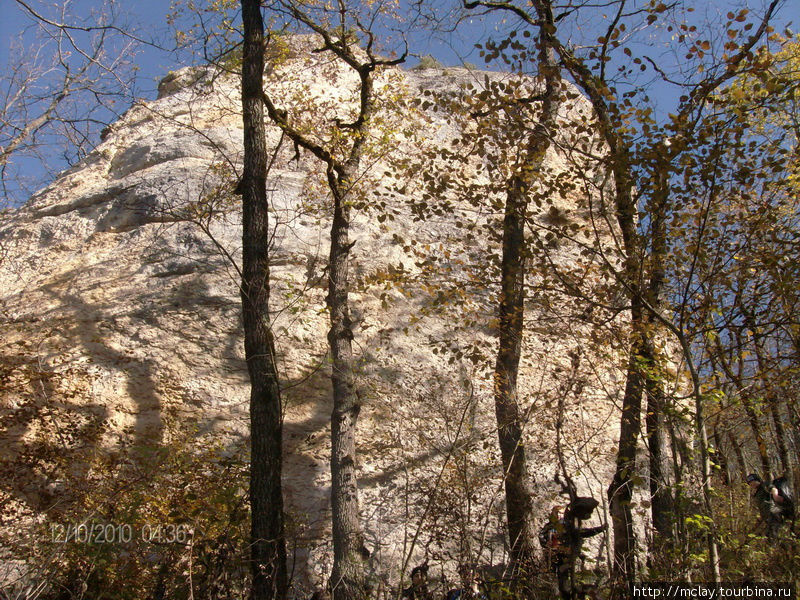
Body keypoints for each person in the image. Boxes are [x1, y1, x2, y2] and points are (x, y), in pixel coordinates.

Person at [539, 499, 607, 600]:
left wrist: (599, 529)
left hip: (566, 557)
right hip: (554, 557)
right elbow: (542, 536)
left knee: (566, 582)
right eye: (556, 513)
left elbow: (582, 533)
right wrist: (547, 546)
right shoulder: (550, 527)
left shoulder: (567, 526)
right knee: (557, 582)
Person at [747, 473, 794, 539]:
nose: (752, 484)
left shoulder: (764, 485)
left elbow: (773, 489)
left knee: (772, 535)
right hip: (768, 517)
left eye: (753, 482)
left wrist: (776, 496)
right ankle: (783, 546)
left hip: (774, 512)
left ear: (757, 480)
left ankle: (783, 546)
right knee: (770, 535)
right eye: (750, 483)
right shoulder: (756, 493)